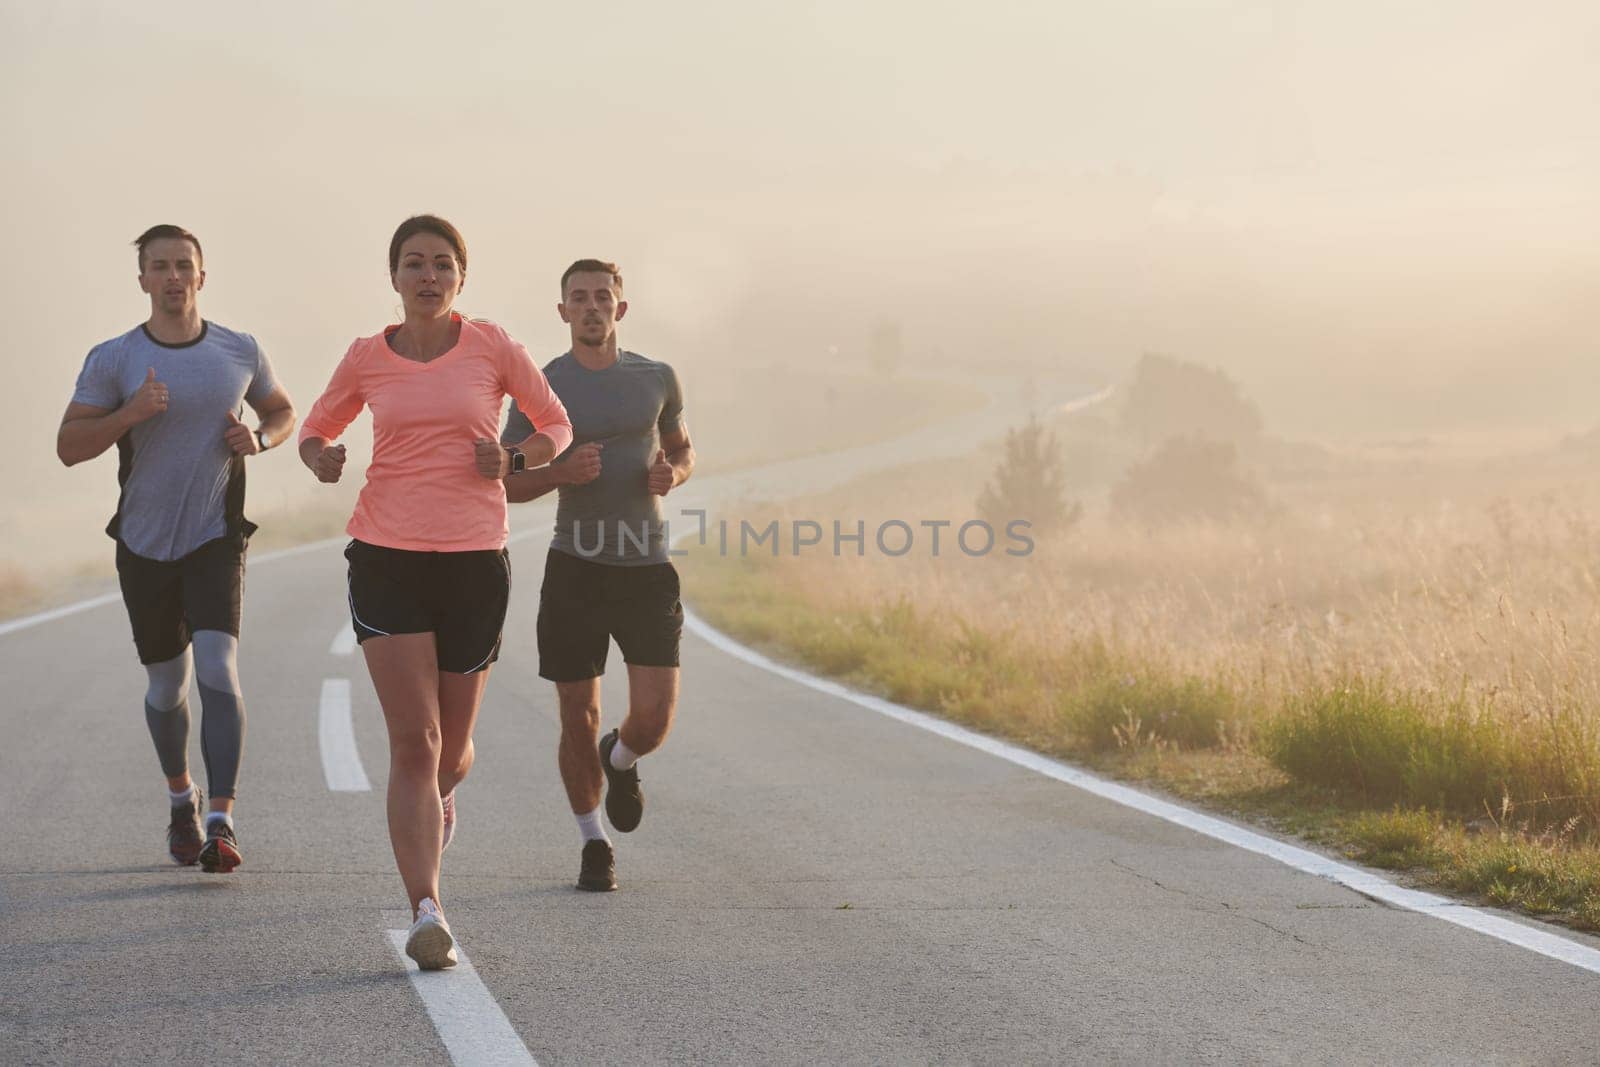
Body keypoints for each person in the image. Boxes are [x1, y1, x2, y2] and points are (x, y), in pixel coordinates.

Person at [298, 215, 572, 970]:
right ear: (393, 278)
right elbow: (316, 430)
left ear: (460, 277)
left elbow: (556, 424)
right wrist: (322, 457)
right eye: (414, 263)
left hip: (474, 560)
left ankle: (443, 797)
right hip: (386, 554)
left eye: (442, 264)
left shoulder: (492, 346)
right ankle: (427, 907)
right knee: (413, 742)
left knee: (449, 753)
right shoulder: (367, 356)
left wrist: (514, 454)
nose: (428, 275)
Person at [57, 224, 297, 874]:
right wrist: (128, 414)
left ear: (201, 275)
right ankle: (180, 798)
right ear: (142, 279)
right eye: (159, 266)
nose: (172, 277)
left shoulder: (237, 349)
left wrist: (262, 439)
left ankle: (221, 818)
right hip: (142, 542)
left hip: (215, 536)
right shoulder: (114, 358)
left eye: (182, 265)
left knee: (219, 667)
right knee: (168, 683)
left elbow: (281, 411)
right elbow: (69, 445)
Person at [503, 259, 695, 892]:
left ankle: (623, 757)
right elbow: (507, 480)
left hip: (646, 567)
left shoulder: (656, 377)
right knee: (575, 716)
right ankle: (593, 844)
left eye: (601, 297)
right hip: (575, 569)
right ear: (562, 311)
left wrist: (676, 473)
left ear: (621, 307)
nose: (591, 307)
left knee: (654, 719)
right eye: (578, 299)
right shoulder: (541, 387)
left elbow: (682, 447)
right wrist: (559, 472)